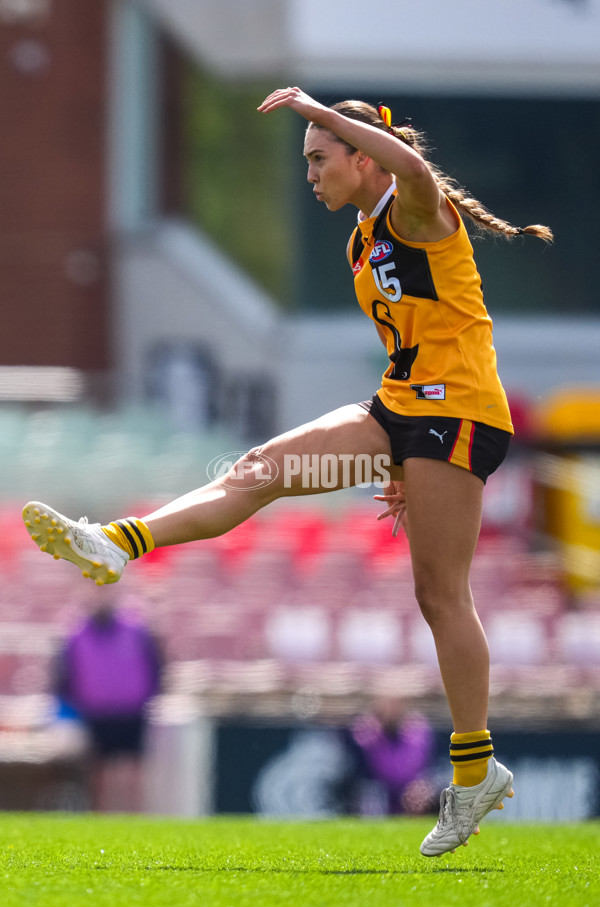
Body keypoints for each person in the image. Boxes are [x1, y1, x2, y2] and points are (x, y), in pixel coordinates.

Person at [23, 86, 553, 853]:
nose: (310, 173)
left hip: (461, 411)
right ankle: (117, 542)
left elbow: (414, 169)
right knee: (262, 468)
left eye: (319, 157)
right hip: (402, 408)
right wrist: (399, 455)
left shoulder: (412, 208)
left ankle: (475, 773)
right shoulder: (360, 242)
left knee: (440, 594)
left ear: (361, 156)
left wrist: (320, 107)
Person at [54, 602, 162, 811]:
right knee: (98, 775)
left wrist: (146, 698)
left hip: (132, 712)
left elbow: (156, 667)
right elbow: (65, 677)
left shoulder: (137, 631)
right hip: (96, 713)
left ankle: (136, 821)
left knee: (133, 773)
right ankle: (99, 822)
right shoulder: (77, 634)